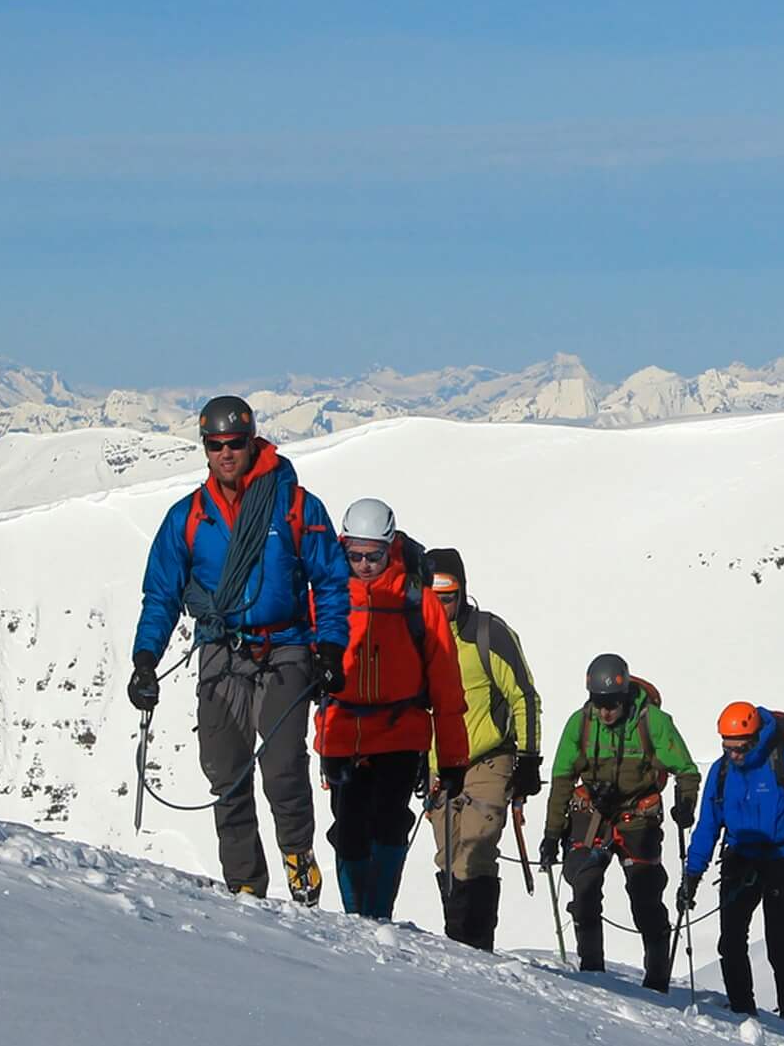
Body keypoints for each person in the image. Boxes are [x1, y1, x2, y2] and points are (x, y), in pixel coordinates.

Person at [129, 396, 350, 903]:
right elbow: (161, 594)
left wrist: (331, 646)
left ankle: (297, 854)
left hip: (287, 647)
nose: (226, 453)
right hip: (221, 651)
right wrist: (146, 660)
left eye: (235, 443)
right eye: (216, 445)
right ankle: (245, 881)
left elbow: (331, 582)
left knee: (281, 766)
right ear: (205, 448)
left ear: (253, 442)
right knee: (225, 772)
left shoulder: (295, 506)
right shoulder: (188, 518)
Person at [312, 497, 470, 920]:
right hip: (341, 730)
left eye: (374, 556)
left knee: (388, 822)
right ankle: (356, 914)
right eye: (355, 555)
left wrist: (453, 758)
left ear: (390, 548)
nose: (364, 564)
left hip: (402, 732)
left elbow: (446, 683)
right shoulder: (326, 596)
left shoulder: (417, 600)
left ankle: (375, 914)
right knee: (347, 828)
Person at [536, 654, 699, 991]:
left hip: (638, 817)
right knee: (583, 884)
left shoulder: (652, 722)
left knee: (645, 894)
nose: (606, 711)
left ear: (625, 697)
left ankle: (657, 982)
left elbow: (686, 770)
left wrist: (685, 805)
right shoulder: (579, 724)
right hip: (591, 812)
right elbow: (562, 780)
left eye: (612, 703)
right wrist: (552, 834)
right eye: (599, 703)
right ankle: (591, 972)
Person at [680, 702, 784, 1024]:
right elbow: (708, 825)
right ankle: (741, 1011)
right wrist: (692, 873)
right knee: (731, 940)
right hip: (739, 860)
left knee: (781, 945)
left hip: (783, 860)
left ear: (756, 737)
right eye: (727, 747)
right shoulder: (721, 771)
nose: (734, 754)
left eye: (740, 748)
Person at [421, 546, 541, 949]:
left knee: (475, 851)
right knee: (449, 857)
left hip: (488, 759)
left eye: (448, 596)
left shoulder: (487, 634)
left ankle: (474, 943)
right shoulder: (418, 637)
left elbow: (524, 696)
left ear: (463, 592)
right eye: (432, 597)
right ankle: (460, 943)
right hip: (439, 767)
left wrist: (528, 759)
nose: (441, 606)